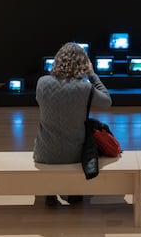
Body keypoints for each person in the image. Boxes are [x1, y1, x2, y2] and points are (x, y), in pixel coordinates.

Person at [33, 42, 112, 206]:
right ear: (83, 64)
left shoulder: (41, 82)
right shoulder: (85, 87)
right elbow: (107, 101)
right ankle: (73, 192)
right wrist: (92, 74)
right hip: (75, 155)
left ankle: (50, 191)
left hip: (44, 153)